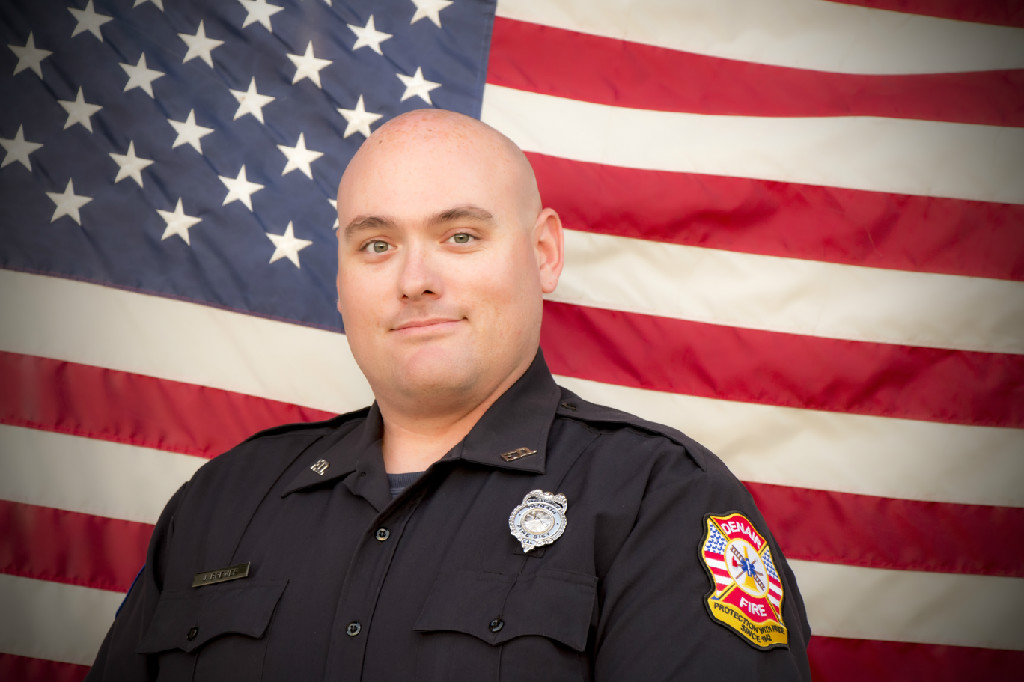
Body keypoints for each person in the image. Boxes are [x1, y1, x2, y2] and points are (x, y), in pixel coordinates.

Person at [86, 109, 812, 681]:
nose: (415, 280)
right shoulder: (222, 502)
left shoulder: (660, 499)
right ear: (340, 279)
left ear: (544, 254)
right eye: (376, 245)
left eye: (460, 236)